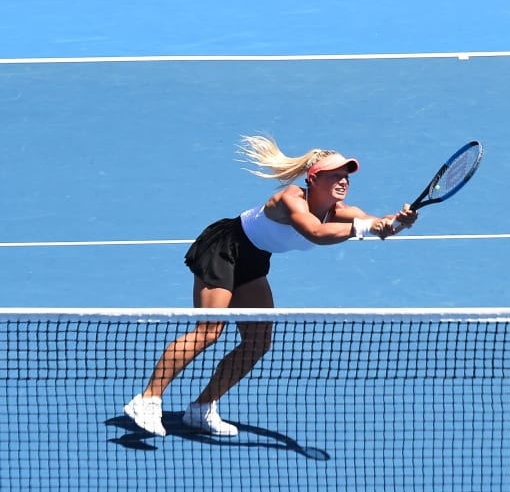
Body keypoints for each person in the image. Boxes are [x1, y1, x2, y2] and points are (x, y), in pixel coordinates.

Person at [123, 135, 417, 437]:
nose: (343, 181)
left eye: (346, 177)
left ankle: (201, 409)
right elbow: (315, 232)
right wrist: (368, 227)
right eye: (336, 175)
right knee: (209, 331)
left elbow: (380, 226)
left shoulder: (344, 213)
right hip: (225, 248)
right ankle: (147, 400)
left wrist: (398, 222)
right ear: (314, 179)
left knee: (258, 341)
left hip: (254, 259)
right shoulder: (290, 198)